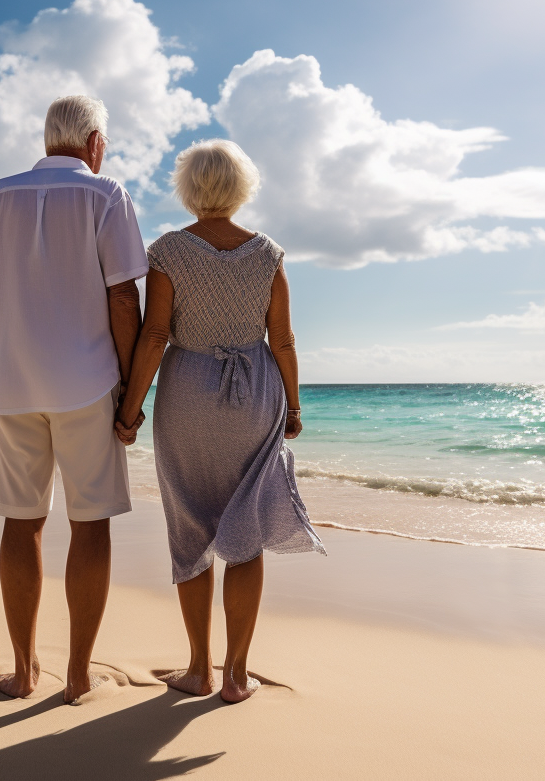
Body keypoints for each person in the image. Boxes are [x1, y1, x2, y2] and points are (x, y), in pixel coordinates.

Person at [115, 138, 325, 704]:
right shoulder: (267, 253)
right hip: (256, 393)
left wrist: (130, 409)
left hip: (187, 394)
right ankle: (236, 674)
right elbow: (281, 339)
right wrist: (296, 407)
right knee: (245, 533)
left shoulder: (169, 252)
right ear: (240, 187)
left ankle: (197, 669)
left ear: (189, 189)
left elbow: (155, 336)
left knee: (190, 527)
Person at [0, 96, 148, 704]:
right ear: (95, 141)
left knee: (22, 521)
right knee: (90, 526)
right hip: (88, 384)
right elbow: (124, 298)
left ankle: (22, 671)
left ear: (49, 140)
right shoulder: (106, 194)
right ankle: (76, 676)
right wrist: (128, 390)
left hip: (13, 386)